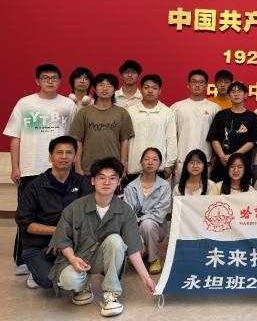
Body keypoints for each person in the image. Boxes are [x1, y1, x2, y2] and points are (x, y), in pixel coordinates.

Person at [49, 157, 155, 317]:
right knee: (69, 280)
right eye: (101, 177)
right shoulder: (75, 208)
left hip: (101, 258)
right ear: (93, 181)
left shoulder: (125, 211)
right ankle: (82, 287)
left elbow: (133, 249)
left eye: (112, 178)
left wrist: (146, 278)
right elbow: (63, 239)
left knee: (116, 241)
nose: (107, 182)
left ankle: (110, 293)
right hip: (77, 258)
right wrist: (72, 259)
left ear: (119, 182)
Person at [3, 63, 76, 275]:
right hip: (31, 168)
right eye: (45, 77)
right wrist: (15, 166)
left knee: (59, 214)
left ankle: (54, 254)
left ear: (60, 81)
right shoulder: (25, 103)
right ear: (37, 80)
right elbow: (15, 137)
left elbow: (73, 138)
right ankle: (23, 259)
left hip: (60, 169)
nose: (50, 81)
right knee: (27, 215)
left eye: (54, 78)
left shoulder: (68, 105)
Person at [15, 136, 93, 289]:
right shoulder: (34, 186)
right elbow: (25, 223)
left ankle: (63, 265)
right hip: (39, 244)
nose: (64, 157)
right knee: (47, 281)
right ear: (50, 157)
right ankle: (39, 269)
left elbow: (88, 216)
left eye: (69, 152)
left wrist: (64, 240)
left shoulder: (83, 183)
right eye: (59, 152)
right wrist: (57, 232)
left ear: (75, 157)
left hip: (72, 241)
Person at [69, 73, 134, 175]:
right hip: (88, 169)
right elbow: (78, 141)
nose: (105, 88)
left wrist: (123, 165)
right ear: (95, 89)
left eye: (109, 86)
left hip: (114, 169)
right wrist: (77, 166)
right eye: (101, 85)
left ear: (115, 90)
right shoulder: (83, 113)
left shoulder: (122, 113)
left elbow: (124, 140)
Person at [123, 148, 171, 275]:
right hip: (134, 228)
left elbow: (160, 213)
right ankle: (141, 251)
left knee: (147, 224)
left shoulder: (164, 186)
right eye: (147, 159)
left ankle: (153, 259)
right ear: (141, 162)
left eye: (154, 159)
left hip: (156, 227)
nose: (150, 162)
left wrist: (140, 219)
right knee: (134, 257)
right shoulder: (130, 187)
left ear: (159, 164)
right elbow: (128, 213)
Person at [171, 69, 220, 185]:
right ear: (188, 85)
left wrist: (215, 156)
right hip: (181, 160)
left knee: (204, 193)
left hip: (206, 160)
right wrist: (171, 160)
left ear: (206, 86)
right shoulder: (176, 107)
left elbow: (217, 136)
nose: (197, 85)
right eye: (194, 82)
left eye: (201, 82)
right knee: (180, 192)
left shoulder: (214, 108)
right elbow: (171, 136)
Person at [126, 74, 177, 182]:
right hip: (133, 167)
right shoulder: (130, 111)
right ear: (141, 90)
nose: (150, 91)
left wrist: (169, 164)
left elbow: (171, 138)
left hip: (158, 168)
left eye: (154, 88)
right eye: (146, 87)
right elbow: (124, 139)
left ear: (160, 91)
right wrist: (124, 163)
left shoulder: (167, 112)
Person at [207, 81, 257, 183]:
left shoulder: (252, 117)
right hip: (222, 163)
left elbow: (252, 141)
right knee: (218, 190)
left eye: (239, 91)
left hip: (242, 164)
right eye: (233, 92)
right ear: (229, 95)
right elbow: (214, 138)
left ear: (245, 95)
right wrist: (222, 157)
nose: (236, 94)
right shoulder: (220, 115)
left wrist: (233, 157)